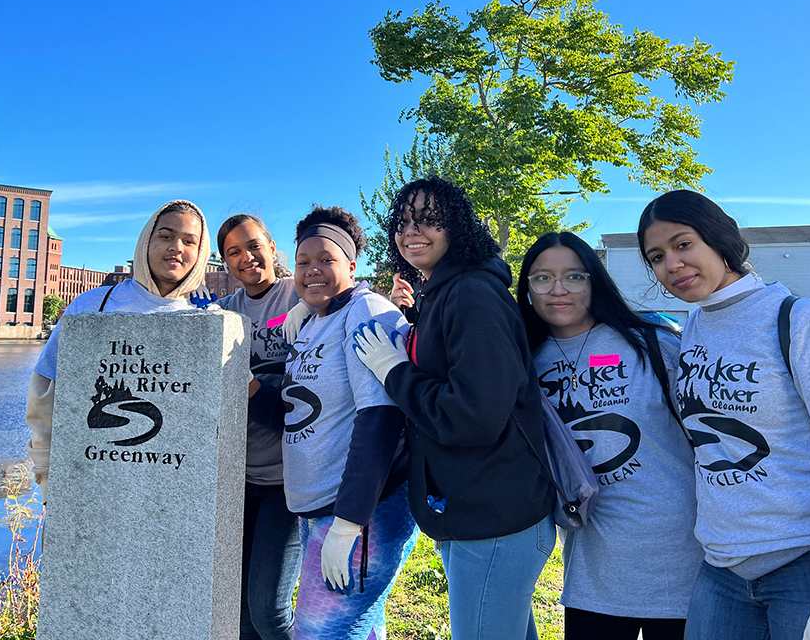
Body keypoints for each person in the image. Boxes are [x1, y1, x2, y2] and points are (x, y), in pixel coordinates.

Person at [353, 177, 555, 640]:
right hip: (478, 509)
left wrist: (394, 372)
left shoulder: (472, 295)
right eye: (403, 221)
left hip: (495, 516)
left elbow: (473, 415)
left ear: (458, 225)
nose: (412, 231)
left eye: (428, 219)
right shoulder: (444, 292)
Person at [638, 190, 810, 640]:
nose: (672, 265)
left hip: (802, 564)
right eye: (657, 256)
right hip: (721, 569)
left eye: (683, 245)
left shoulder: (800, 321)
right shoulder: (696, 325)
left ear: (718, 238)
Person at [517, 231, 702, 640]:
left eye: (575, 277)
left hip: (682, 563)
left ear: (595, 280)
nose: (558, 289)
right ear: (527, 289)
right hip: (592, 573)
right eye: (542, 278)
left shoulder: (652, 345)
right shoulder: (522, 364)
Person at [249, 205, 417, 640]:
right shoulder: (311, 322)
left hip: (364, 512)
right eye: (303, 262)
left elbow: (380, 418)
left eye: (327, 259)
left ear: (351, 264)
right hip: (317, 508)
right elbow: (300, 415)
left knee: (321, 632)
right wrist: (248, 387)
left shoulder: (368, 312)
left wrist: (350, 521)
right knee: (361, 627)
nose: (313, 271)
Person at [25, 200, 211, 506]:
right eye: (165, 236)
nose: (176, 247)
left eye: (189, 241)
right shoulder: (92, 306)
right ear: (145, 241)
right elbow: (43, 397)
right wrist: (47, 476)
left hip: (172, 499)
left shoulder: (208, 318)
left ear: (200, 252)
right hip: (91, 487)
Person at [212, 214, 301, 640]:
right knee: (238, 610)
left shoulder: (300, 295)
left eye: (253, 246)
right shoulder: (222, 313)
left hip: (291, 481)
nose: (246, 258)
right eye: (233, 252)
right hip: (240, 479)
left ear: (271, 245)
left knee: (270, 610)